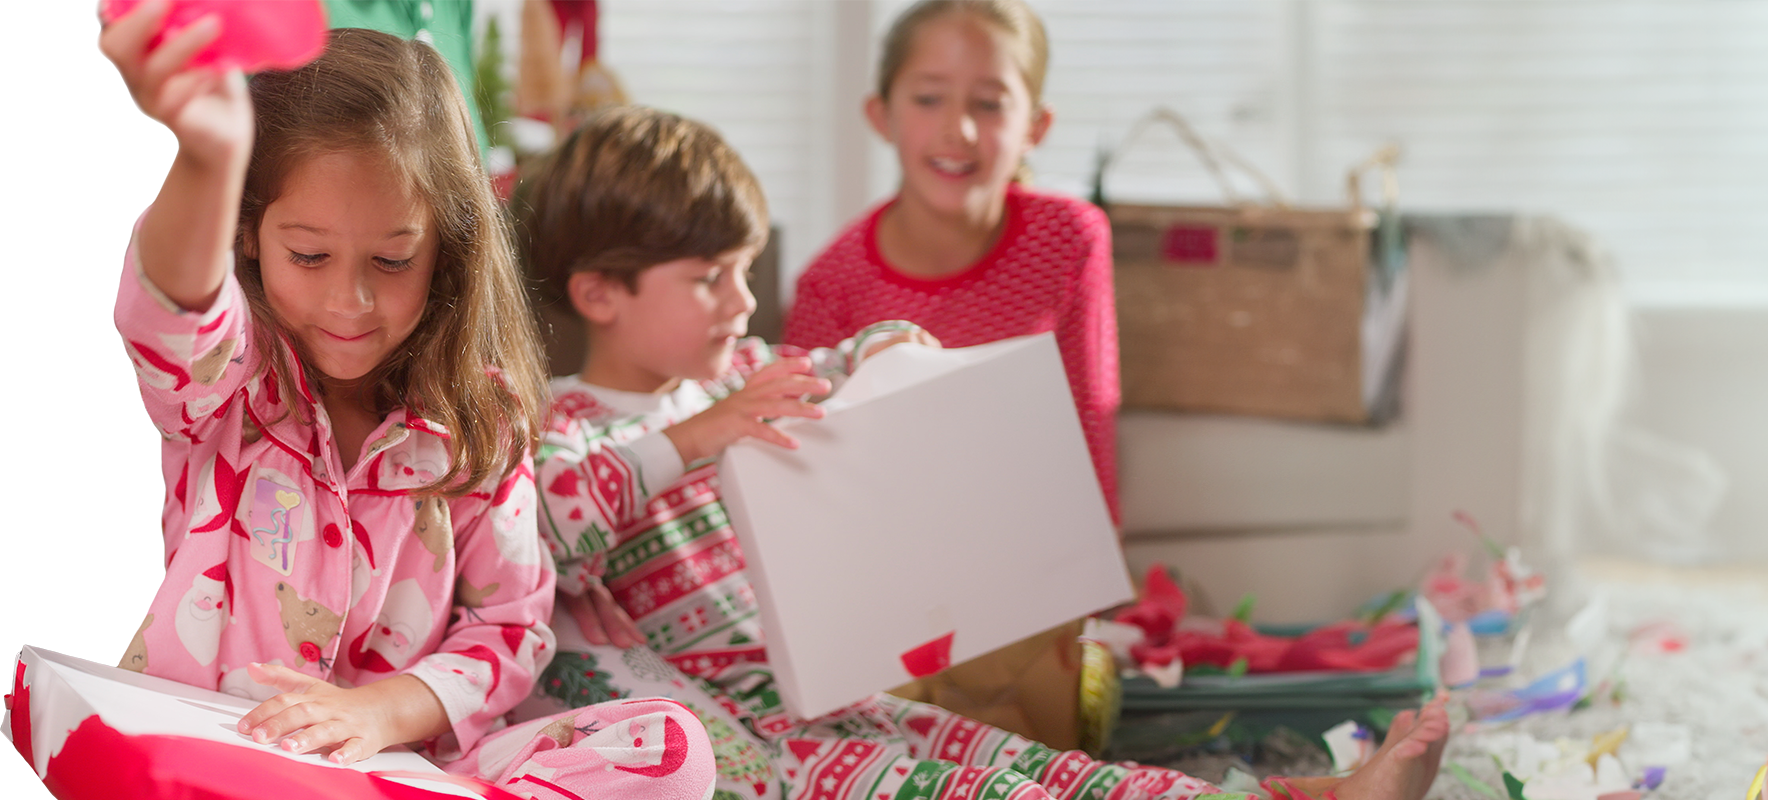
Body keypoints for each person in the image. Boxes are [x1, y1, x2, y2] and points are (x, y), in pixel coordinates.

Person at [519, 105, 1449, 800]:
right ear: (600, 295)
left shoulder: (751, 374)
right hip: (733, 728)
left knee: (1038, 766)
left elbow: (842, 358)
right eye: (708, 279)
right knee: (964, 791)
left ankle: (1301, 795)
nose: (741, 302)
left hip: (821, 690)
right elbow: (551, 528)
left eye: (745, 269)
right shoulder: (568, 427)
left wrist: (886, 346)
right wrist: (691, 440)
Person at [94, 6, 712, 798]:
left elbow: (511, 629)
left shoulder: (482, 421)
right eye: (309, 255)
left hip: (399, 771)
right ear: (248, 232)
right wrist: (211, 158)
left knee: (668, 745)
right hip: (218, 760)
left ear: (444, 249)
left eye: (392, 259)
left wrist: (378, 715)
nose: (350, 301)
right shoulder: (229, 385)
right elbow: (171, 308)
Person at [783, 0, 1118, 523]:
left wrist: (1102, 563)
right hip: (889, 544)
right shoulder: (830, 284)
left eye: (988, 104)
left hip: (1039, 539)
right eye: (928, 98)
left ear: (1036, 126)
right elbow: (802, 469)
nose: (958, 129)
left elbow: (1090, 421)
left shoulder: (1071, 238)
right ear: (881, 115)